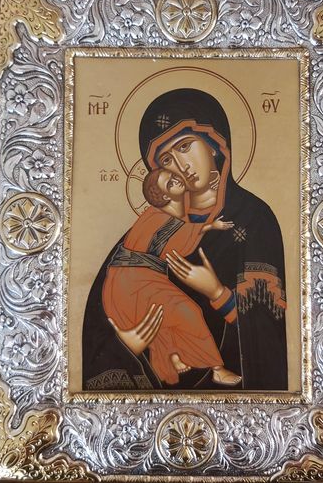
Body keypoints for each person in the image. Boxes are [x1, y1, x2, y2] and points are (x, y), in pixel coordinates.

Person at [82, 88, 288, 391]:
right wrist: (126, 345)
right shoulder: (147, 235)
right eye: (167, 158)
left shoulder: (253, 220)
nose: (180, 165)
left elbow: (269, 331)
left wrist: (217, 292)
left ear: (214, 144)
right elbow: (99, 325)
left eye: (185, 146)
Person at [101, 167, 241, 385]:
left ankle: (173, 355)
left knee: (164, 321)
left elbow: (183, 231)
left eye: (174, 176)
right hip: (131, 282)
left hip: (138, 278)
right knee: (189, 312)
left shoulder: (172, 213)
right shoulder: (157, 217)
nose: (177, 179)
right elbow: (181, 241)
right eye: (170, 182)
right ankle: (216, 368)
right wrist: (210, 226)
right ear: (164, 196)